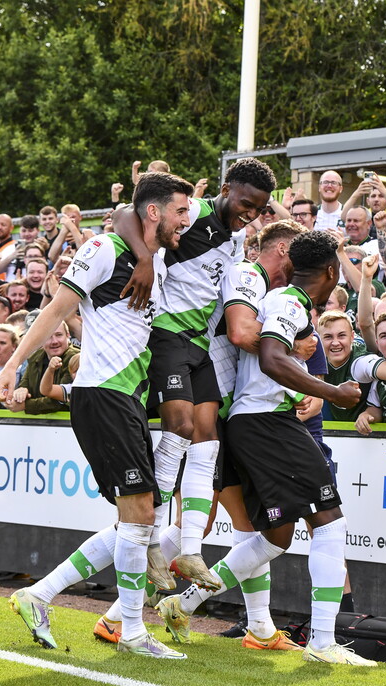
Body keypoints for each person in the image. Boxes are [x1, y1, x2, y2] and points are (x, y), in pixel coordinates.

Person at [0, 171, 193, 659]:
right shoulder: (104, 250)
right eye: (179, 212)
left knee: (137, 519)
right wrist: (14, 366)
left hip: (123, 398)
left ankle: (38, 596)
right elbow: (56, 310)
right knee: (140, 515)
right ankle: (132, 633)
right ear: (154, 212)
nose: (185, 221)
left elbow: (134, 221)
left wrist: (147, 254)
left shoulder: (157, 259)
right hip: (101, 393)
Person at [156, 231, 375, 666]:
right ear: (332, 272)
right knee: (329, 522)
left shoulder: (285, 301)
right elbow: (273, 359)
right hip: (266, 424)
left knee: (275, 536)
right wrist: (332, 392)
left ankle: (185, 604)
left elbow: (272, 357)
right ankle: (324, 642)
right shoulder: (289, 303)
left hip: (251, 424)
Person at [115, 157, 277, 592]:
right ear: (225, 188)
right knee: (181, 427)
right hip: (167, 335)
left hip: (199, 345)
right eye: (245, 202)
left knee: (207, 439)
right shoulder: (196, 212)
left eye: (259, 208)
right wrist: (146, 259)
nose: (250, 213)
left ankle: (188, 551)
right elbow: (121, 215)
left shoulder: (238, 235)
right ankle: (151, 540)